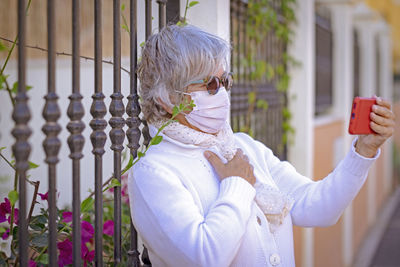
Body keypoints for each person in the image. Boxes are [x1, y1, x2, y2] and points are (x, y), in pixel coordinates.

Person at [127, 24, 395, 267]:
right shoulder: (154, 172)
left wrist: (364, 150)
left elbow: (319, 207)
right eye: (210, 84)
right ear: (167, 98)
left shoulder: (243, 147)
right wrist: (238, 185)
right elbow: (204, 258)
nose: (221, 92)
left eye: (224, 81)